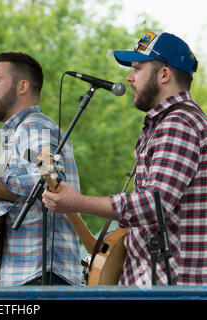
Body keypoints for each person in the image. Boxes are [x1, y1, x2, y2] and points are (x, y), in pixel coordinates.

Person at [42, 31, 207, 286]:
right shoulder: (165, 123)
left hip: (172, 284)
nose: (129, 77)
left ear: (164, 74)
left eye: (138, 68)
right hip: (154, 279)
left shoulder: (179, 124)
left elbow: (154, 204)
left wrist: (78, 202)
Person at [0, 52, 82, 286]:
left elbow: (51, 185)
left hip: (41, 274)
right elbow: (13, 196)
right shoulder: (16, 134)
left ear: (22, 86)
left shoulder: (34, 128)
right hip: (27, 274)